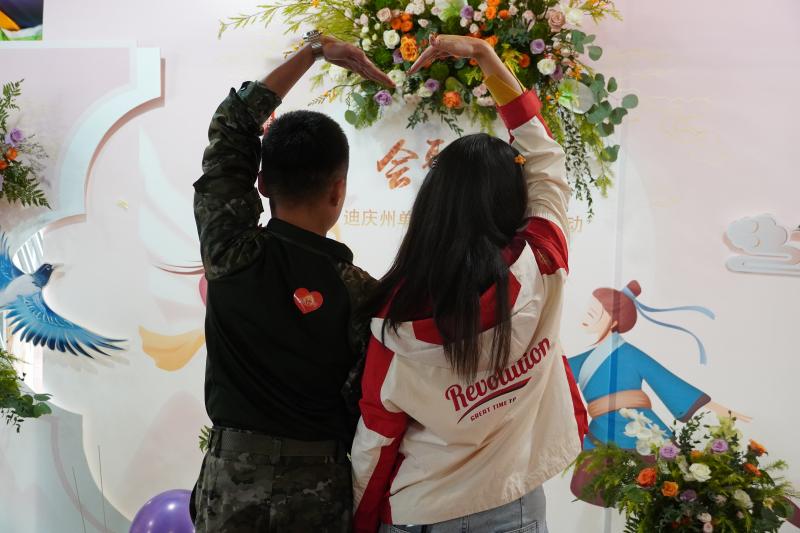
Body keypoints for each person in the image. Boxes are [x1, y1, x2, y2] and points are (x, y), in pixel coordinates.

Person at [350, 34, 588, 533]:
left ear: (433, 204)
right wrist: (485, 56)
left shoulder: (396, 318)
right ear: (513, 203)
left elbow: (377, 436)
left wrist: (362, 520)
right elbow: (545, 157)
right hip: (513, 509)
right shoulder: (543, 261)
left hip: (422, 510)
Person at [190, 33, 392, 532]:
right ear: (338, 190)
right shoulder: (362, 293)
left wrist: (314, 51)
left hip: (231, 482)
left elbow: (233, 125)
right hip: (321, 486)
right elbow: (369, 406)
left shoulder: (230, 251)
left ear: (262, 184)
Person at [567, 280, 750, 504]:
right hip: (602, 429)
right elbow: (556, 376)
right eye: (588, 310)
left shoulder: (631, 354)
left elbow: (665, 380)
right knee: (586, 487)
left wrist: (719, 409)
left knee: (673, 488)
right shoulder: (584, 361)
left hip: (641, 428)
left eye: (594, 313)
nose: (586, 316)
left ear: (613, 321)